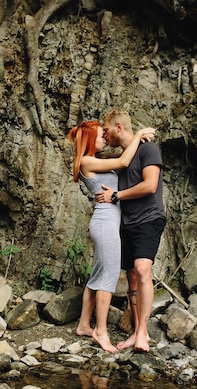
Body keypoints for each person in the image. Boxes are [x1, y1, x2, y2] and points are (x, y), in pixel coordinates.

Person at [68, 120, 155, 353]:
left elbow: (122, 153)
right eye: (99, 136)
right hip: (106, 223)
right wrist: (138, 133)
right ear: (89, 141)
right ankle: (101, 331)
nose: (104, 138)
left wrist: (136, 138)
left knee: (97, 275)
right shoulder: (88, 161)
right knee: (108, 277)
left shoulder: (98, 159)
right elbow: (124, 160)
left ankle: (84, 325)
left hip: (106, 222)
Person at [95, 108, 166, 353]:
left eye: (106, 130)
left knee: (143, 269)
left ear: (118, 127)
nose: (105, 136)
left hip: (149, 219)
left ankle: (143, 333)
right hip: (127, 223)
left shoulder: (148, 149)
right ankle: (136, 331)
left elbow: (150, 185)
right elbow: (100, 156)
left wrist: (115, 196)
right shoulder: (124, 155)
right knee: (132, 277)